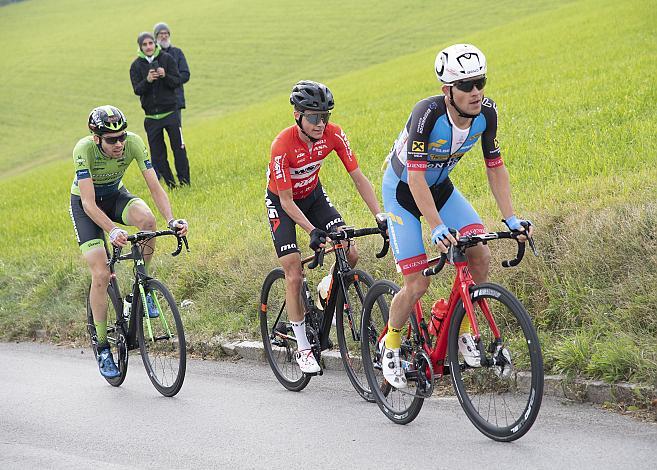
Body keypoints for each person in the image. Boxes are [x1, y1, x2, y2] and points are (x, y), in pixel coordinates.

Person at [380, 44, 534, 388]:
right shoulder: (427, 114)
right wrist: (435, 227)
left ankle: (462, 329)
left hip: (441, 188)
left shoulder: (487, 113)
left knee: (479, 254)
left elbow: (495, 167)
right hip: (403, 192)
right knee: (418, 282)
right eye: (466, 85)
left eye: (480, 81)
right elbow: (415, 177)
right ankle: (389, 345)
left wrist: (510, 218)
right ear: (446, 91)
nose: (475, 91)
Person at [265, 80, 387, 374]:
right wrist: (311, 231)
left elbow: (357, 177)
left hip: (314, 196)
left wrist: (380, 215)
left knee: (350, 251)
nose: (321, 124)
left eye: (325, 116)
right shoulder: (282, 146)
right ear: (298, 115)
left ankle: (325, 291)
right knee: (293, 272)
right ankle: (303, 345)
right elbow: (286, 201)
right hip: (284, 203)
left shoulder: (333, 134)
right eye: (314, 117)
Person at [69, 105, 188, 379]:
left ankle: (140, 292)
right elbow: (87, 203)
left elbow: (154, 187)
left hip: (114, 196)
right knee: (101, 273)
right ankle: (101, 347)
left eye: (122, 136)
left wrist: (171, 220)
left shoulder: (133, 142)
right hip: (86, 206)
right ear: (96, 138)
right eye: (112, 140)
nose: (120, 143)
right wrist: (111, 230)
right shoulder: (84, 150)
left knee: (148, 222)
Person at [129, 31, 190, 188]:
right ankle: (171, 184)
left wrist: (165, 75)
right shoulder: (135, 66)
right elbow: (137, 89)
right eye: (145, 44)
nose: (148, 47)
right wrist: (148, 80)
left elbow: (177, 81)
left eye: (150, 43)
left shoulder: (167, 59)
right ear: (140, 47)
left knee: (179, 149)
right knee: (157, 155)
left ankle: (185, 182)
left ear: (154, 44)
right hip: (151, 118)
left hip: (171, 113)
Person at [153, 22, 190, 124]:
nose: (164, 36)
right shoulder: (152, 56)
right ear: (155, 37)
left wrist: (171, 79)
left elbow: (185, 74)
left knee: (177, 134)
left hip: (175, 100)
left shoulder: (177, 52)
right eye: (161, 34)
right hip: (158, 103)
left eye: (166, 33)